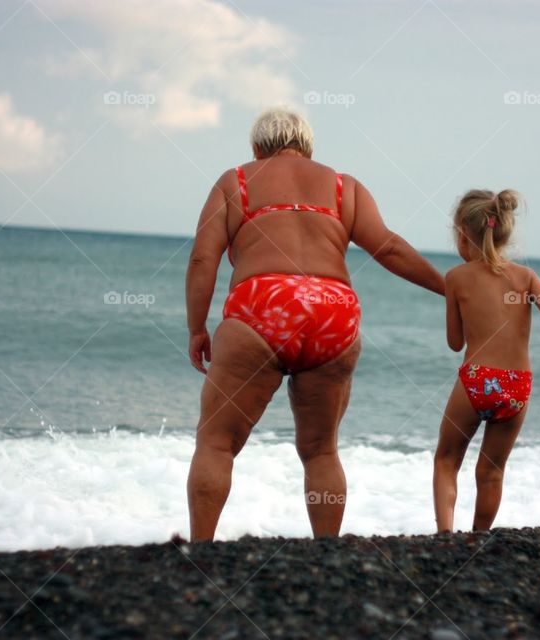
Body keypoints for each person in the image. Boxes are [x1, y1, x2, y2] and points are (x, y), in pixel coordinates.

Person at [185, 107, 444, 541]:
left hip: (261, 306)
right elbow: (390, 249)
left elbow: (202, 258)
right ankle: (327, 552)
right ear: (308, 148)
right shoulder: (345, 186)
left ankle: (200, 553)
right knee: (321, 449)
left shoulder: (236, 182)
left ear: (255, 148)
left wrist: (197, 328)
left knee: (217, 443)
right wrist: (448, 289)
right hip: (333, 311)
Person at [432, 189, 540, 533]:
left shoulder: (456, 277)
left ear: (460, 235)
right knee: (492, 471)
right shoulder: (526, 277)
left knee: (447, 459)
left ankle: (445, 537)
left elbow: (455, 343)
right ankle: (479, 538)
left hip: (476, 380)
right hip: (517, 385)